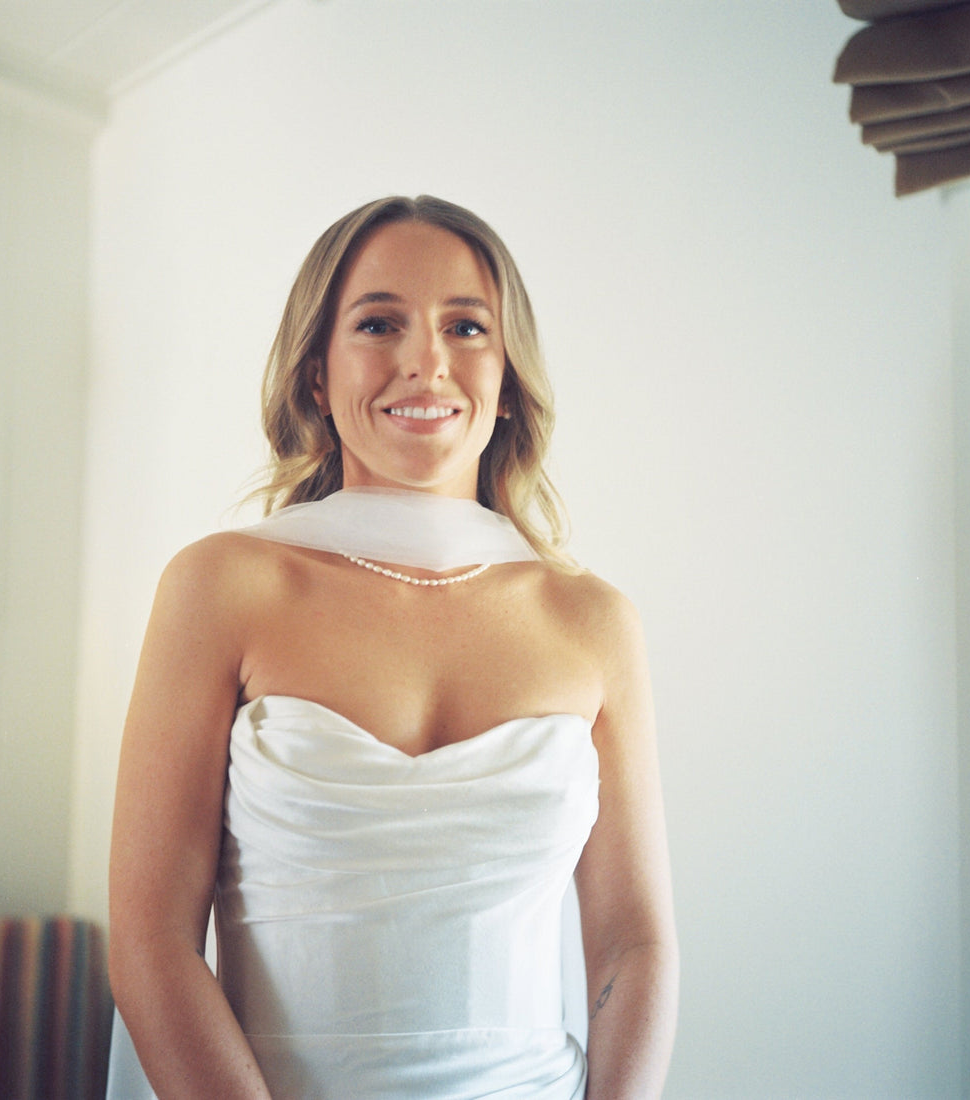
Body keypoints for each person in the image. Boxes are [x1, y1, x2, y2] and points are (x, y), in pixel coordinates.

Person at [108, 194, 678, 1100]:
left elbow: (634, 942)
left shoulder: (593, 621)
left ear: (508, 375)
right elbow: (150, 939)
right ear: (314, 377)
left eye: (466, 327)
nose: (426, 363)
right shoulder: (223, 586)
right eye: (380, 324)